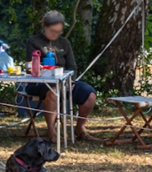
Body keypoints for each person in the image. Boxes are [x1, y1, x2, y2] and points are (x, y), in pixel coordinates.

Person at [23, 10, 98, 142]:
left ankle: (80, 128)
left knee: (89, 94)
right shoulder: (34, 41)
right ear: (45, 27)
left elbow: (72, 67)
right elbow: (30, 66)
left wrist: (71, 81)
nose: (55, 34)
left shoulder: (64, 43)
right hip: (41, 82)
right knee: (54, 91)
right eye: (53, 31)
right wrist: (38, 68)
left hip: (65, 81)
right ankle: (52, 131)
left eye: (59, 32)